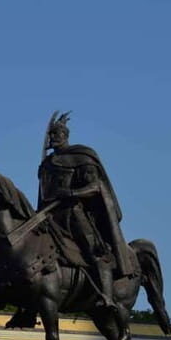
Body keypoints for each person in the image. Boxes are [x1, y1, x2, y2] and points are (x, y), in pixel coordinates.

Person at [37, 111, 134, 311]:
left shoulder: (81, 157)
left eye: (56, 135)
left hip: (74, 213)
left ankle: (107, 296)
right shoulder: (47, 163)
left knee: (94, 251)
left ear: (65, 136)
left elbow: (96, 186)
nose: (52, 138)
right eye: (50, 135)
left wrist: (71, 193)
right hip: (49, 215)